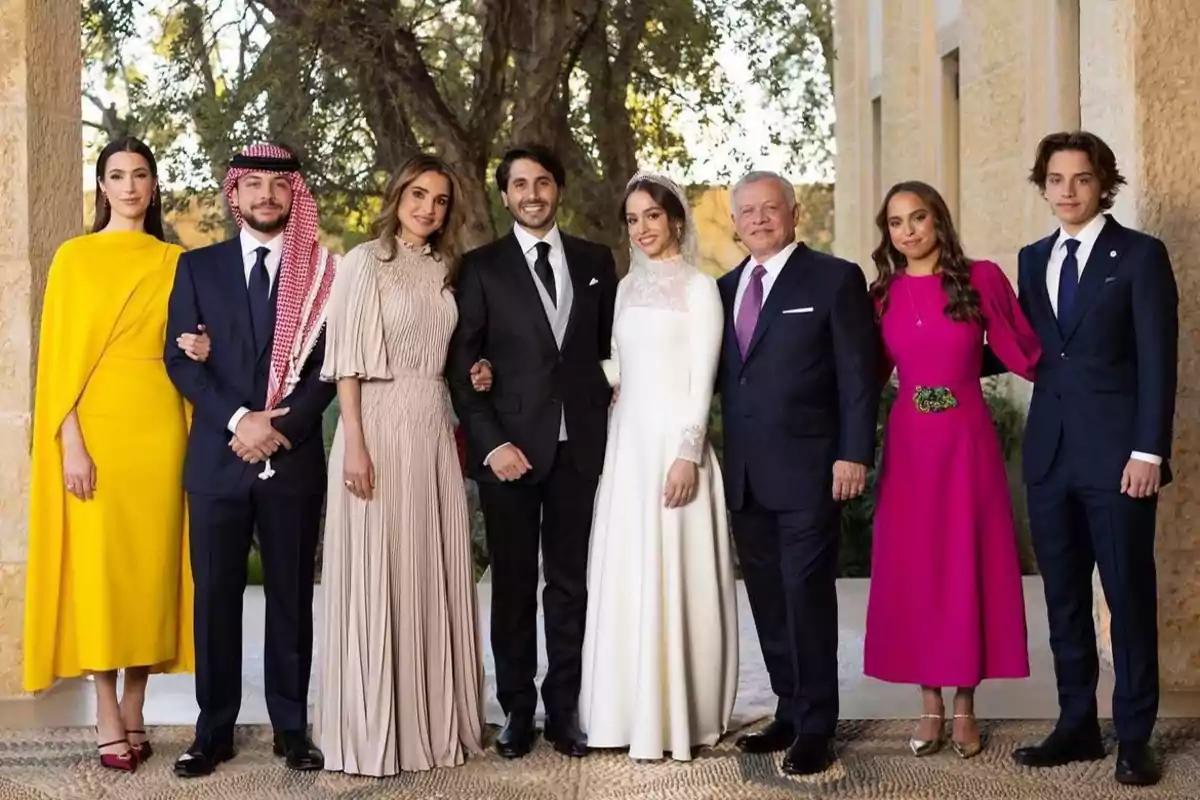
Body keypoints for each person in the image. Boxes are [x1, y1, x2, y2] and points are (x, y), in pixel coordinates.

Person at [24, 136, 209, 773]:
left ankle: (135, 708)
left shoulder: (175, 261)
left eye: (140, 175)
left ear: (154, 186)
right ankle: (105, 711)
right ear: (101, 186)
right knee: (103, 574)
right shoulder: (74, 259)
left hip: (160, 427)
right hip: (96, 428)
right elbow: (57, 363)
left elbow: (186, 348)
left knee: (152, 571)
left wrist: (201, 350)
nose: (130, 186)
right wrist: (71, 442)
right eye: (117, 175)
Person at [1010, 131, 1178, 788]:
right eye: (1056, 179)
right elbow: (1030, 348)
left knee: (1128, 597)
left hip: (1119, 460)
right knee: (1063, 600)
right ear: (1044, 185)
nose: (1068, 191)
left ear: (1102, 183)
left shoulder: (1139, 256)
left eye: (1081, 179)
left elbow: (1159, 360)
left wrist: (1148, 451)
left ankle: (1134, 737)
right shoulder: (1030, 259)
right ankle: (1076, 723)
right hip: (1049, 457)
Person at [165, 143, 337, 778]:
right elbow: (180, 359)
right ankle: (213, 731)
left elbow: (327, 369)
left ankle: (292, 728)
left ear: (294, 196)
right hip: (217, 459)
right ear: (234, 195)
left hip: (289, 463)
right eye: (254, 184)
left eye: (279, 186)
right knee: (215, 597)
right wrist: (241, 421)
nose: (267, 195)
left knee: (292, 598)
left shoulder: (324, 274)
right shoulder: (197, 269)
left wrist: (278, 428)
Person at [315, 154, 487, 775]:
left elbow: (452, 353)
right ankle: (373, 729)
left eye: (440, 200)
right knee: (378, 568)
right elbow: (348, 365)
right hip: (378, 427)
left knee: (430, 568)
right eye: (418, 195)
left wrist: (478, 370)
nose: (428, 209)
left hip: (433, 424)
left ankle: (431, 722)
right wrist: (355, 441)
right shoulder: (363, 262)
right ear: (397, 195)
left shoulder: (447, 268)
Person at [446, 145, 618, 759]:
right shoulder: (480, 267)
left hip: (580, 450)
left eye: (543, 181)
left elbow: (606, 354)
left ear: (559, 189)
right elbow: (463, 366)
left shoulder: (597, 261)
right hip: (511, 453)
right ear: (505, 195)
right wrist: (492, 445)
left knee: (570, 584)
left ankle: (564, 710)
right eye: (520, 184)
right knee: (514, 586)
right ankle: (518, 709)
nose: (533, 193)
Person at [863, 181, 1038, 759]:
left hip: (966, 443)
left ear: (938, 221)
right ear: (887, 232)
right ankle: (929, 706)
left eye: (918, 218)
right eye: (896, 222)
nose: (908, 231)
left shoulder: (980, 278)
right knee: (917, 569)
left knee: (968, 564)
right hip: (911, 447)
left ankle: (966, 706)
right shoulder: (882, 295)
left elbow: (1022, 349)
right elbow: (861, 375)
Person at [716, 170, 878, 776]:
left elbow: (857, 377)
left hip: (813, 471)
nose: (759, 219)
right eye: (747, 211)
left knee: (806, 596)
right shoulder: (725, 287)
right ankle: (787, 708)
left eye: (770, 208)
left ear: (793, 211)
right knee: (766, 598)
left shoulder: (835, 279)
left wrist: (854, 452)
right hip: (746, 477)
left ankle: (817, 725)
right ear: (734, 222)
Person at [577, 172, 737, 761]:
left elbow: (703, 378)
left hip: (674, 448)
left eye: (652, 216)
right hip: (628, 450)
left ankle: (681, 717)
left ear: (675, 219)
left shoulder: (700, 289)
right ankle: (622, 712)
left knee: (677, 573)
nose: (642, 229)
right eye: (633, 219)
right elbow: (618, 365)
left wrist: (687, 454)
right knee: (626, 575)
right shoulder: (621, 289)